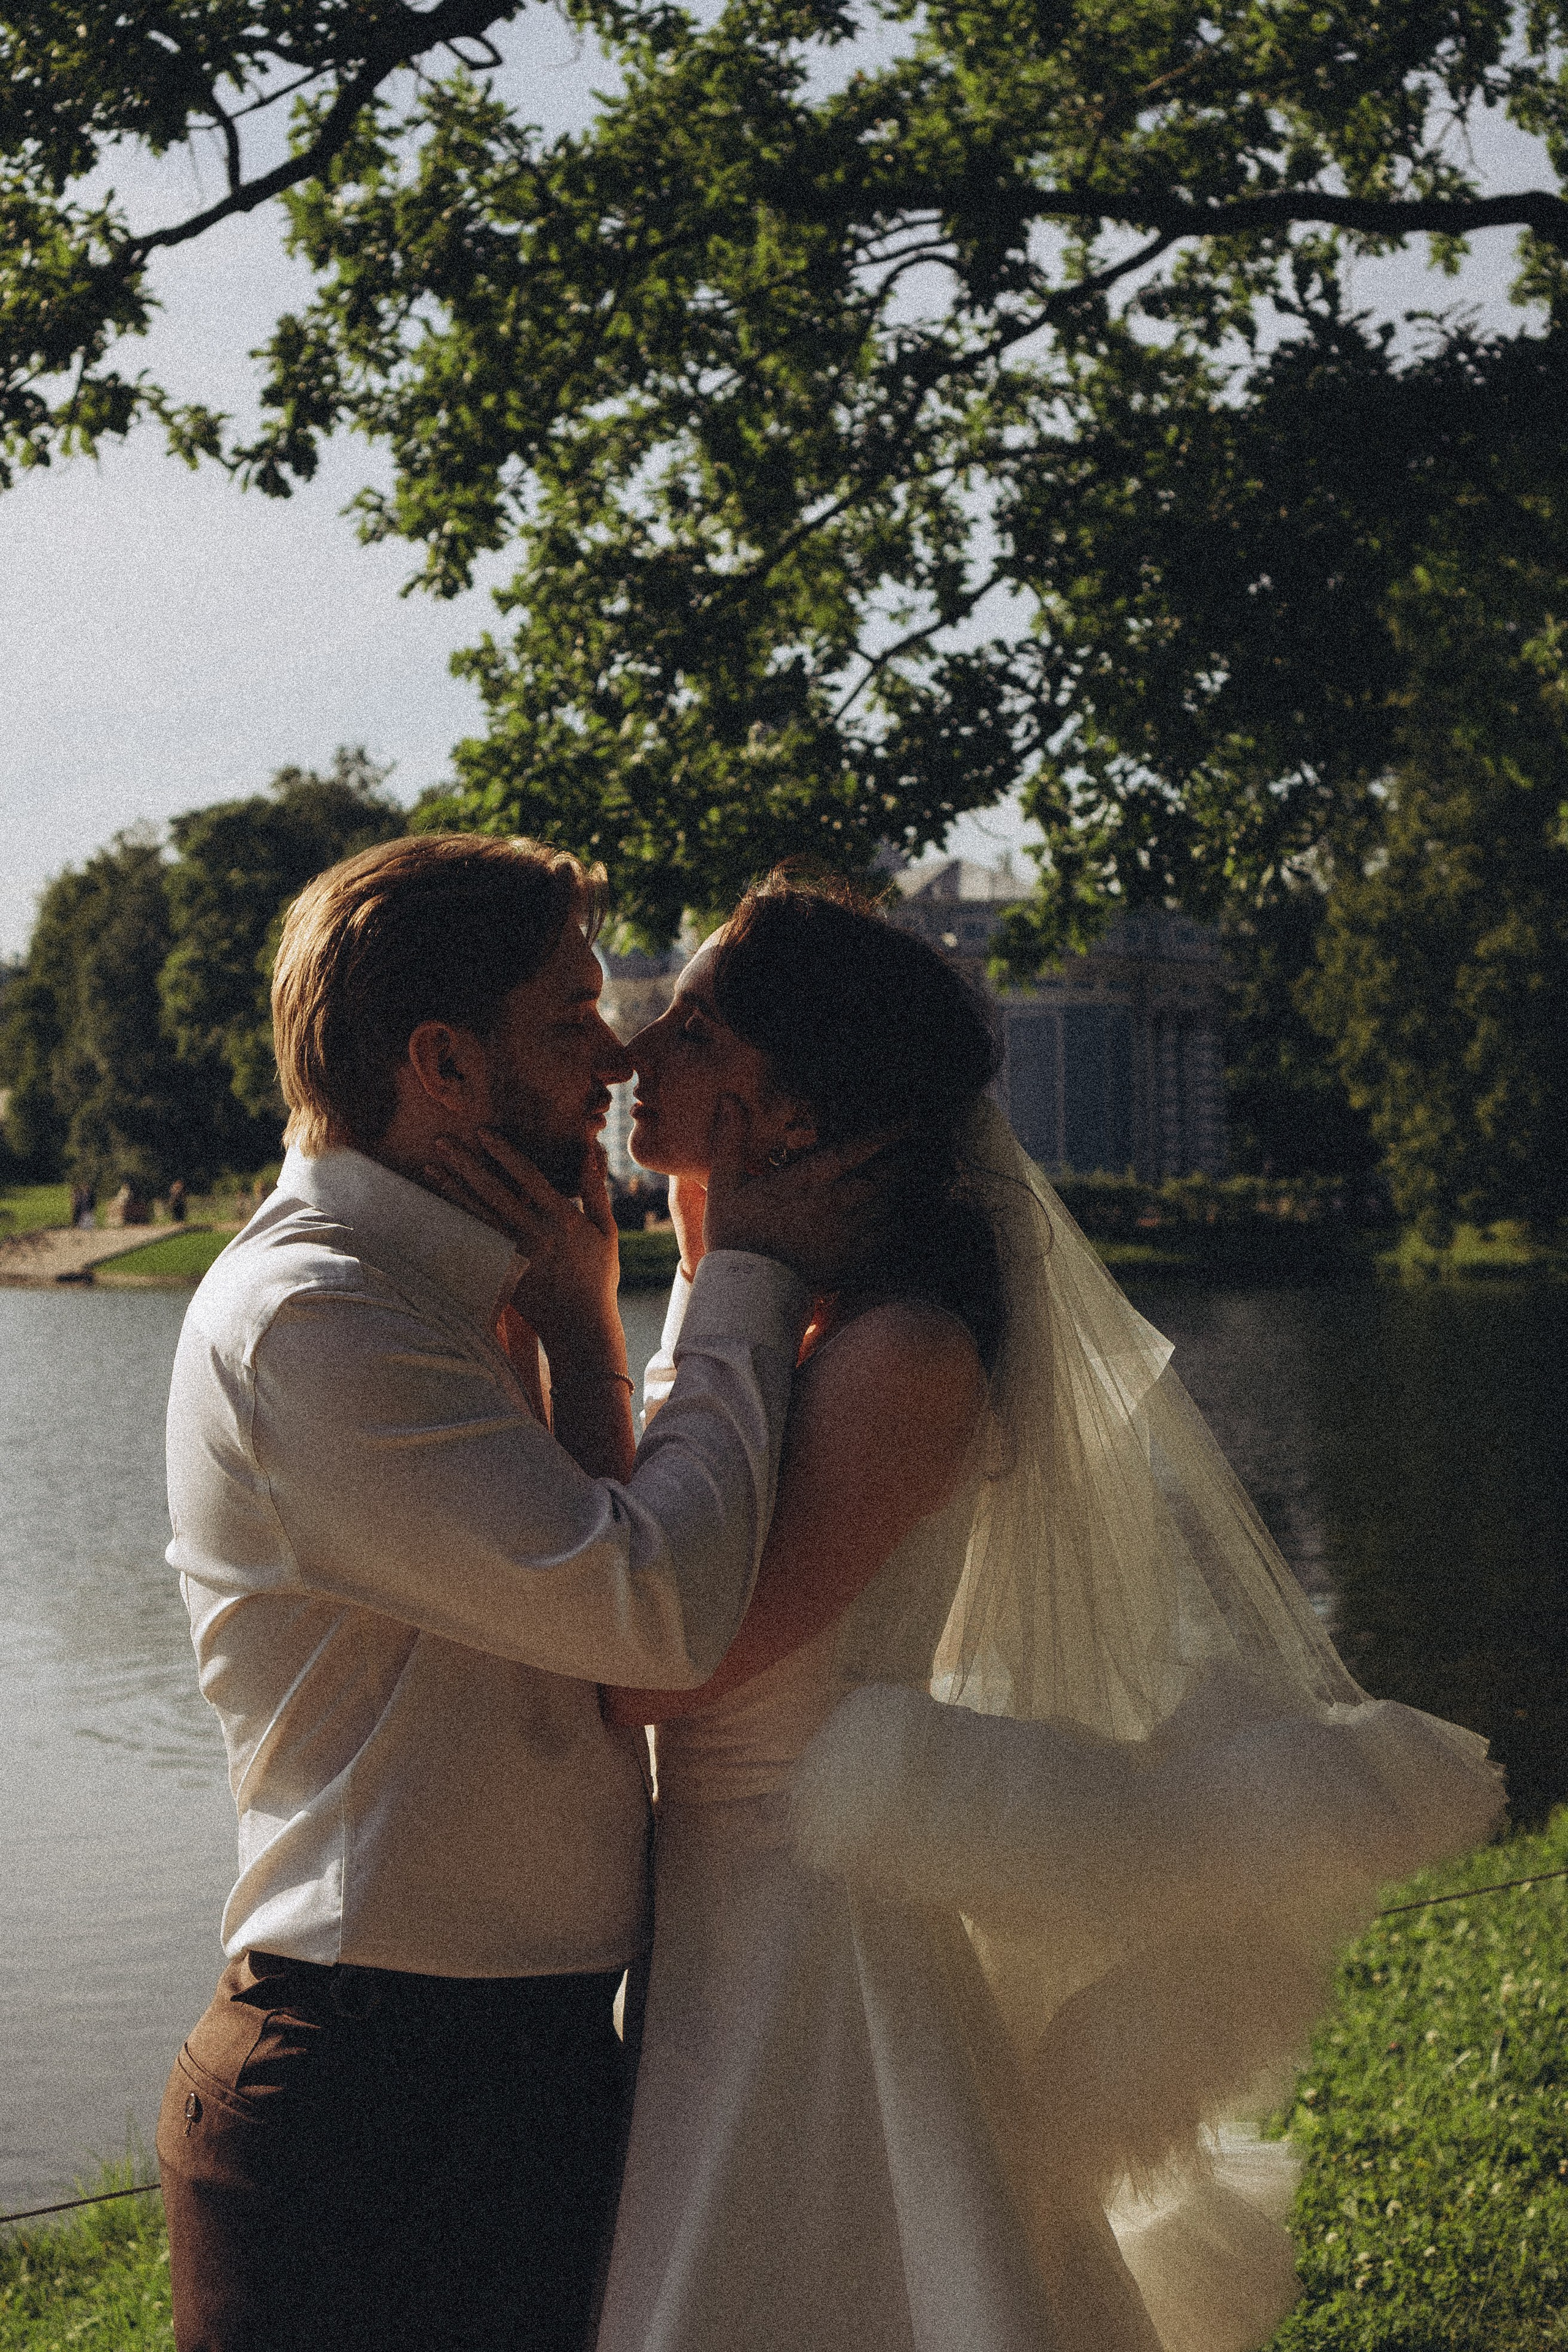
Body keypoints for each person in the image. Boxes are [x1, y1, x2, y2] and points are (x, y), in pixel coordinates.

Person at [440, 870, 1503, 2352]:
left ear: (788, 1107)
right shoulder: (780, 1315)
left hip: (812, 1945)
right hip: (722, 1924)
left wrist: (579, 1331)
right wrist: (688, 1275)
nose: (630, 1052)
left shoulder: (899, 1354)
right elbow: (657, 1552)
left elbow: (651, 1671)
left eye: (689, 1027)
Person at [154, 834, 889, 2352]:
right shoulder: (318, 1321)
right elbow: (654, 1616)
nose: (617, 1059)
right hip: (371, 2113)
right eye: (571, 1019)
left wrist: (580, 1328)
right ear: (442, 1063)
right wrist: (742, 1274)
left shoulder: (455, 1292)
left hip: (512, 2070)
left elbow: (602, 1606)